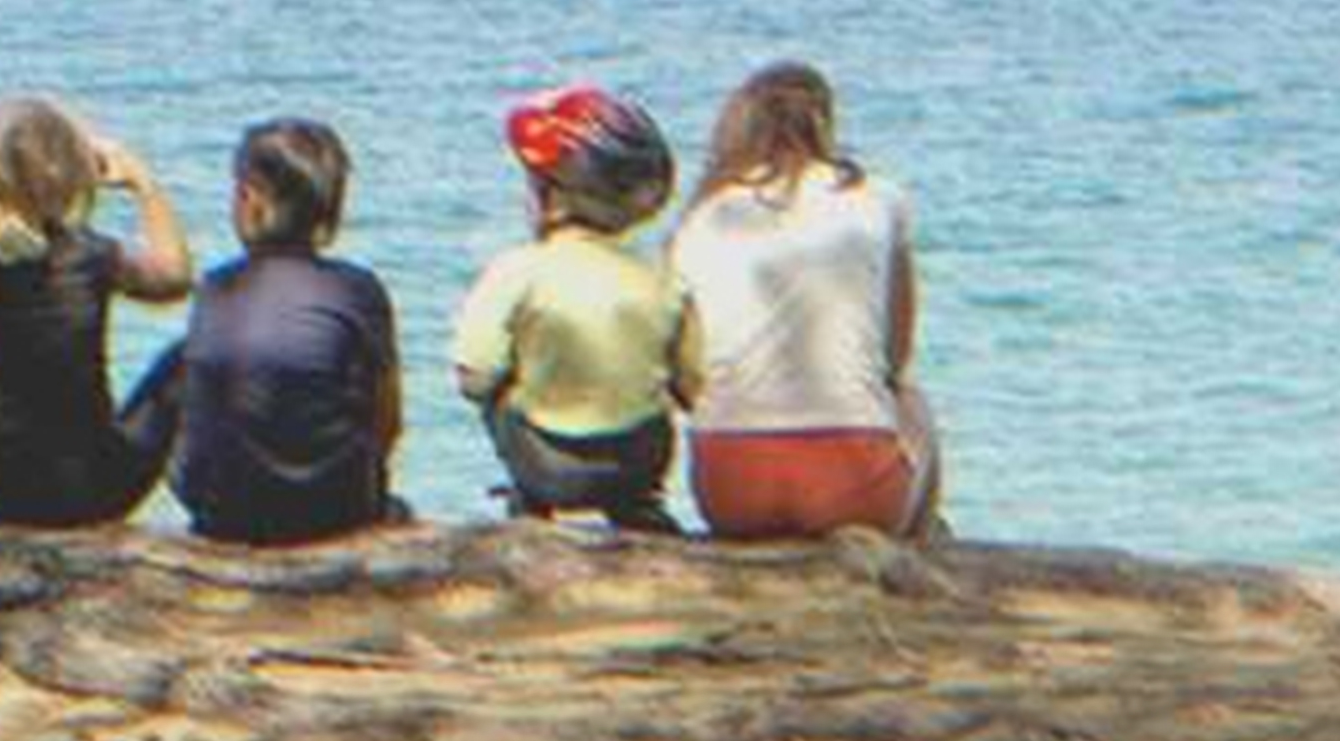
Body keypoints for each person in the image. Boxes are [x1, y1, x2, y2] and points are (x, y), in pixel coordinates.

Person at [669, 62, 941, 541]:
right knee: (912, 401)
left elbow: (686, 370)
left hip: (732, 490)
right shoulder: (878, 197)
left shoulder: (703, 214)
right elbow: (896, 355)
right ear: (824, 124)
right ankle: (916, 553)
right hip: (853, 489)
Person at [452, 86, 701, 535]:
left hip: (547, 465)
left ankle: (531, 504)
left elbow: (474, 378)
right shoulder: (664, 278)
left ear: (551, 194)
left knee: (498, 388)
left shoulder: (517, 270)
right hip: (638, 460)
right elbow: (693, 388)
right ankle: (636, 505)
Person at [0, 96, 194, 528]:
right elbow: (175, 279)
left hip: (2, 491)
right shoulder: (90, 256)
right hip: (92, 489)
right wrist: (142, 184)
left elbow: (0, 247)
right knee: (189, 359)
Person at [173, 119, 409, 546]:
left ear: (251, 199)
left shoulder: (216, 287)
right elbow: (387, 421)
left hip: (222, 516)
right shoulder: (357, 290)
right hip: (333, 514)